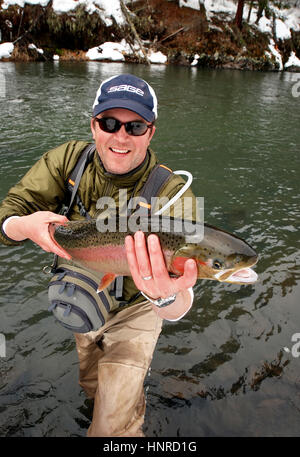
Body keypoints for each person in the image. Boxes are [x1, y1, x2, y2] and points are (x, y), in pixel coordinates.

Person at [0, 74, 198, 437]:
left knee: (110, 430)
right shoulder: (67, 162)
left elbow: (180, 301)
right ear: (94, 125)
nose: (121, 136)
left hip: (140, 308)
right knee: (91, 386)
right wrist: (24, 226)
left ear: (150, 132)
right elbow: (7, 216)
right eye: (110, 123)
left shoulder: (172, 194)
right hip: (84, 293)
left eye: (135, 126)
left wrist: (165, 293)